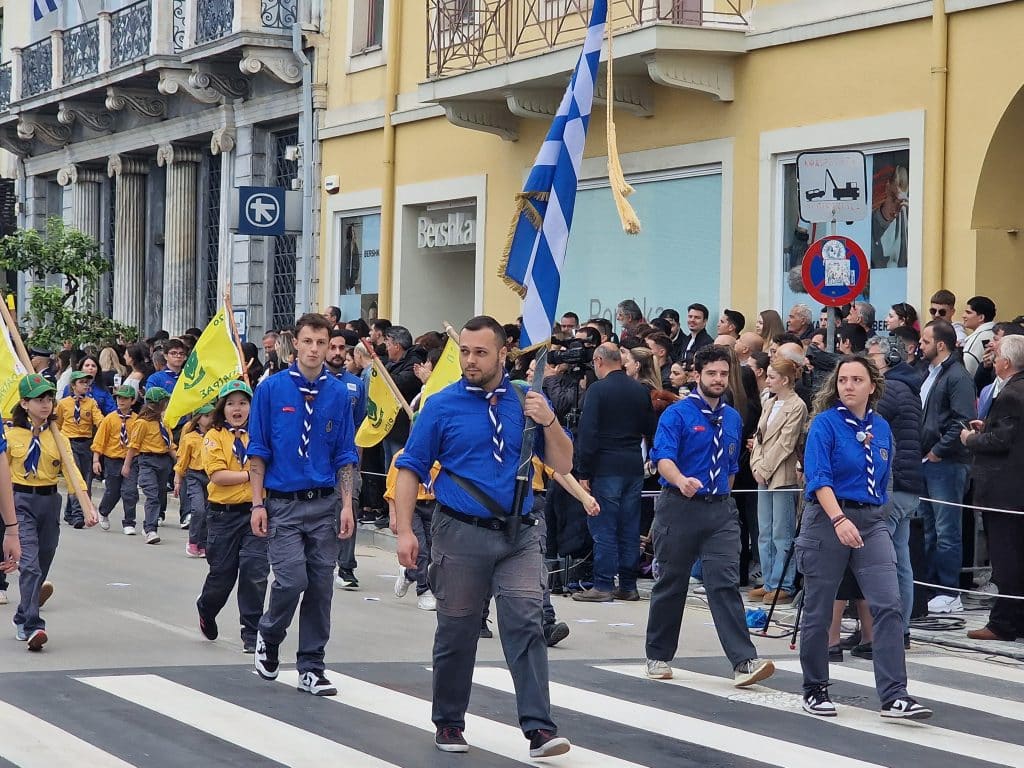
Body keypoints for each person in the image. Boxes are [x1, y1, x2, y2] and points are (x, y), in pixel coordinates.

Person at [394, 315, 574, 758]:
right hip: (459, 531)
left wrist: (548, 420)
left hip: (519, 535)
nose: (470, 360)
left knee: (526, 622)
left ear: (503, 355)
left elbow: (564, 464)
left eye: (480, 352)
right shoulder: (441, 405)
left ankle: (539, 729)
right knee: (458, 630)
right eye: (465, 352)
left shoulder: (524, 400)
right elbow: (410, 468)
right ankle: (449, 721)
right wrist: (402, 530)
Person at [797, 356, 931, 720]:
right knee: (820, 606)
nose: (849, 386)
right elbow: (818, 477)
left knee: (888, 602)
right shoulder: (824, 424)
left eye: (857, 379)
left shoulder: (882, 426)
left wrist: (879, 515)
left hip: (871, 519)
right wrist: (838, 517)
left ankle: (894, 695)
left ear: (872, 386)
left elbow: (886, 476)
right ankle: (815, 687)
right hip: (828, 516)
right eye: (843, 380)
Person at [644, 345, 775, 688]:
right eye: (711, 374)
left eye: (722, 374)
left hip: (719, 510)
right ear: (697, 376)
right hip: (679, 505)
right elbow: (663, 459)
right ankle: (658, 655)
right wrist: (681, 480)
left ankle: (744, 660)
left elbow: (732, 467)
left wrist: (722, 496)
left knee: (724, 582)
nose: (718, 380)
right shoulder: (677, 414)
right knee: (672, 582)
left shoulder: (732, 418)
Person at [248, 313, 358, 697]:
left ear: (330, 347)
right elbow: (258, 450)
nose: (314, 350)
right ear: (295, 343)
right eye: (308, 341)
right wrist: (257, 503)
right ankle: (269, 632)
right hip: (283, 504)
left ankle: (311, 665)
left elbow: (345, 454)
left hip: (324, 503)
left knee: (321, 587)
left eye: (321, 343)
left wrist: (347, 505)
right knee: (293, 579)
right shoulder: (272, 390)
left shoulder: (340, 394)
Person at [10, 374, 97, 651]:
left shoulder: (58, 437)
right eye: (39, 399)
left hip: (49, 502)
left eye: (49, 399)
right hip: (20, 500)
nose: (46, 404)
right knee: (30, 564)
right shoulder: (11, 436)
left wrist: (85, 504)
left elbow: (71, 472)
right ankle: (33, 625)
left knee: (44, 557)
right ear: (24, 403)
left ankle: (23, 612)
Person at [572, 344, 655, 602]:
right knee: (629, 526)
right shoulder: (640, 390)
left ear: (598, 361)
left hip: (605, 465)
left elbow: (588, 433)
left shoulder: (597, 390)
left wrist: (583, 472)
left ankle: (603, 584)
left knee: (604, 525)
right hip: (632, 463)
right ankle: (628, 585)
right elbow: (649, 426)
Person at [197, 380, 269, 654]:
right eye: (231, 403)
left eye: (243, 402)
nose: (237, 408)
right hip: (222, 515)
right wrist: (252, 475)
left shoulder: (260, 435)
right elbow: (217, 476)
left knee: (254, 571)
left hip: (254, 512)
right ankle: (207, 607)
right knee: (223, 574)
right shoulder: (214, 437)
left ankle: (251, 632)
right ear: (222, 408)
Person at [961, 335, 1024, 641]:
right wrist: (987, 429)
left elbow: (1003, 442)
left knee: (1006, 559)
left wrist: (971, 440)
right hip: (1015, 489)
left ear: (1007, 363)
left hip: (1006, 491)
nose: (993, 359)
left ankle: (1002, 623)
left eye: (997, 354)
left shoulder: (1012, 393)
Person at [866, 335, 923, 648]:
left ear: (888, 359)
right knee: (900, 559)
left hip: (892, 483)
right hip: (908, 482)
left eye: (872, 355)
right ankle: (899, 630)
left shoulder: (890, 388)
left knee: (881, 561)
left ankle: (883, 630)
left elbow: (865, 421)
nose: (868, 359)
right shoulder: (909, 388)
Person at [918, 320, 976, 613]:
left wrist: (939, 451)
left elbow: (963, 419)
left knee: (947, 529)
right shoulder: (931, 374)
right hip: (927, 461)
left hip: (947, 463)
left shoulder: (957, 376)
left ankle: (949, 590)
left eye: (925, 341)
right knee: (930, 528)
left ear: (941, 344)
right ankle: (931, 587)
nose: (920, 345)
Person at [748, 357, 807, 604]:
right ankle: (770, 579)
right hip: (762, 471)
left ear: (785, 379)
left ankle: (784, 581)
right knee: (765, 530)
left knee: (782, 531)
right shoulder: (769, 402)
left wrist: (766, 467)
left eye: (772, 377)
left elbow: (786, 442)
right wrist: (756, 464)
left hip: (782, 474)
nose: (768, 381)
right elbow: (759, 437)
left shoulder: (796, 405)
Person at [326, 329, 366, 590]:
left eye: (342, 348)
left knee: (348, 507)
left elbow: (361, 424)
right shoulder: (315, 381)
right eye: (333, 347)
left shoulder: (357, 385)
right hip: (319, 460)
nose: (338, 353)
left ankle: (347, 567)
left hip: (347, 461)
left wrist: (357, 462)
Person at [122, 388, 176, 544]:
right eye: (165, 402)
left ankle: (149, 526)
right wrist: (127, 465)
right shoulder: (142, 423)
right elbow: (134, 445)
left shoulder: (164, 422)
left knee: (160, 494)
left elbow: (170, 444)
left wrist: (179, 462)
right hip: (147, 461)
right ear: (157, 404)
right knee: (152, 495)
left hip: (163, 462)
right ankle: (151, 529)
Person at [55, 371, 103, 529]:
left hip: (86, 443)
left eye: (87, 383)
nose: (85, 385)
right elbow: (58, 425)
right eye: (81, 382)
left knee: (85, 478)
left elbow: (99, 421)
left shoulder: (91, 403)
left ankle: (69, 511)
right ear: (73, 385)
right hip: (69, 442)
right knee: (75, 476)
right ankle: (77, 514)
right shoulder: (63, 404)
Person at [91, 385, 140, 534]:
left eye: (125, 398)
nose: (121, 401)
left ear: (132, 401)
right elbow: (100, 440)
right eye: (119, 398)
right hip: (112, 459)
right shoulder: (110, 419)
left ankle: (129, 522)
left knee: (130, 491)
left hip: (131, 459)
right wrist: (96, 460)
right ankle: (104, 511)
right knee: (113, 491)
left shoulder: (137, 420)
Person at [174, 405, 214, 556]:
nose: (209, 419)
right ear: (198, 419)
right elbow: (182, 461)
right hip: (194, 475)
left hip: (211, 477)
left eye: (211, 415)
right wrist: (178, 480)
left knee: (209, 511)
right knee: (198, 509)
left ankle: (203, 543)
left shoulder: (214, 436)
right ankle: (192, 541)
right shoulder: (189, 438)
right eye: (206, 416)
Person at [960, 295, 997, 378]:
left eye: (968, 312)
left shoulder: (974, 342)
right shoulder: (997, 333)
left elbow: (965, 376)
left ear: (981, 317)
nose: (963, 316)